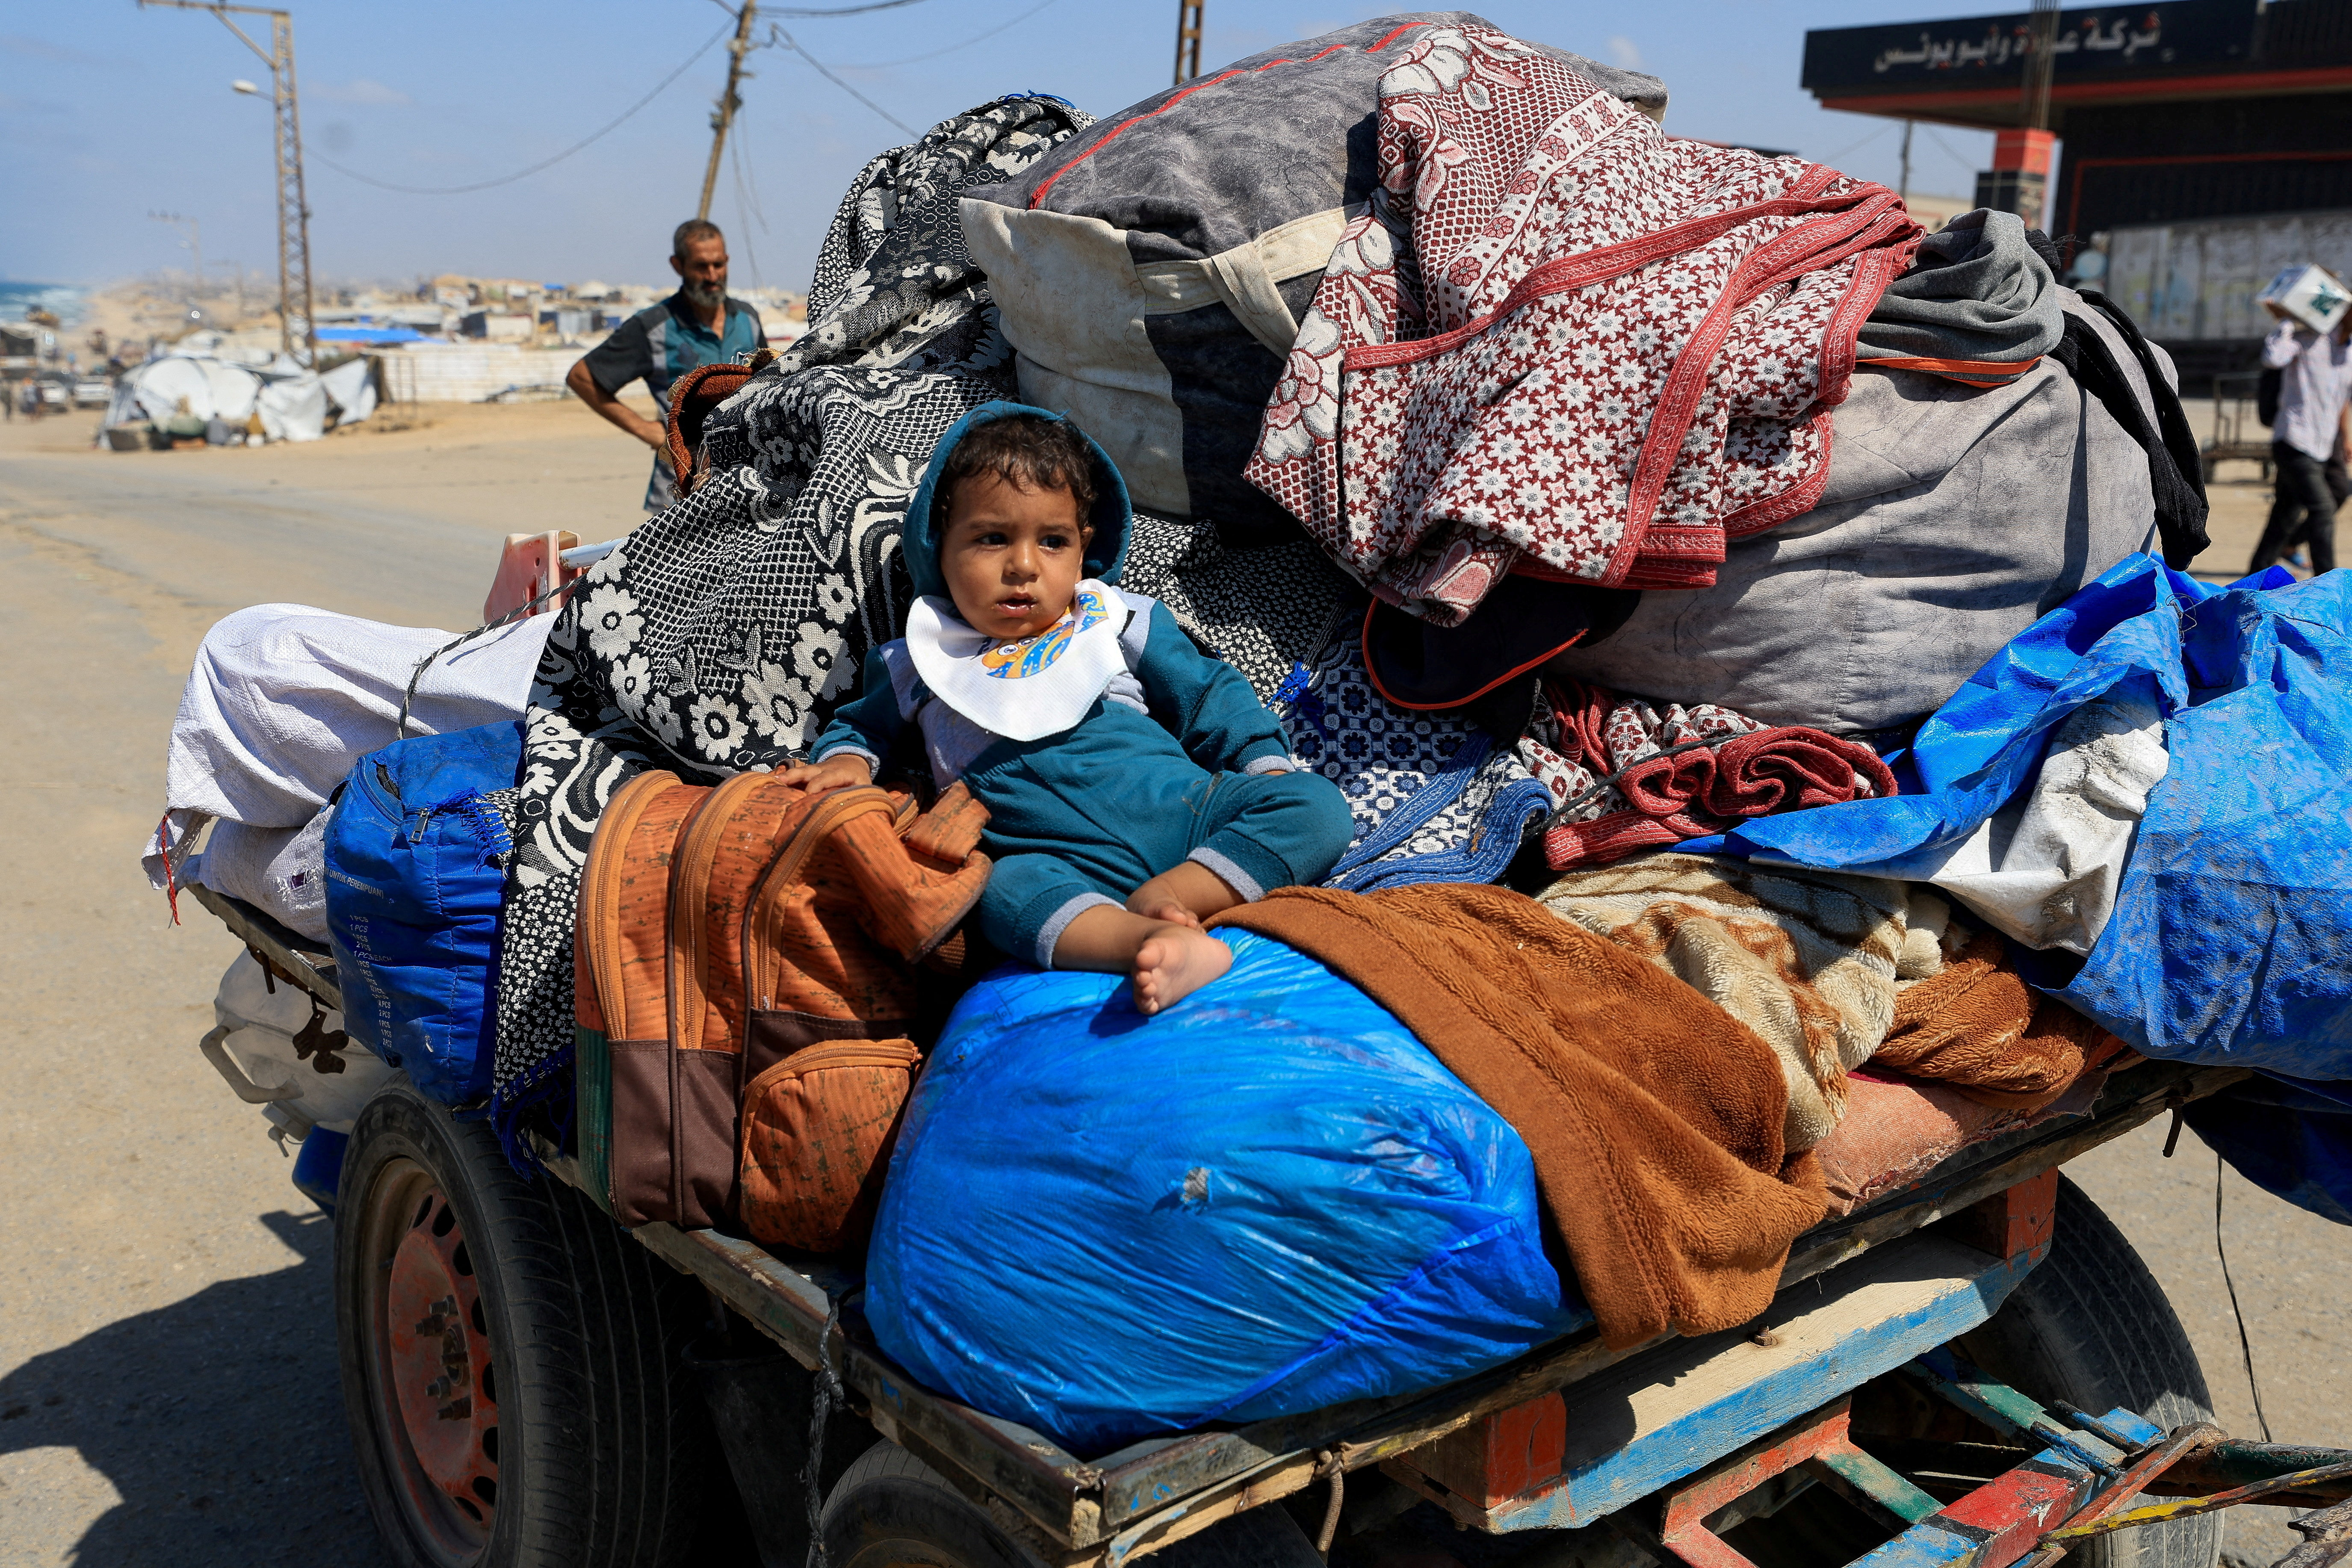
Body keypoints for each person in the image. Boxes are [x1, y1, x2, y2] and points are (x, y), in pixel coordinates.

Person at [785, 404, 1355, 1015]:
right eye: (991, 538)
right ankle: (1151, 941)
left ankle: (1178, 894)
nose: (1024, 565)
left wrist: (1260, 761)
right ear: (938, 549)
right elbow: (860, 727)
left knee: (1315, 805)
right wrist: (846, 761)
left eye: (1052, 541)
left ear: (1083, 552)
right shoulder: (917, 663)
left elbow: (1208, 691)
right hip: (1060, 860)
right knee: (997, 891)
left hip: (1190, 813)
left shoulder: (1116, 619)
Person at [566, 219, 767, 514]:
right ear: (678, 265)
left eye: (719, 265)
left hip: (747, 482)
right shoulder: (654, 327)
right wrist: (648, 430)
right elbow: (582, 377)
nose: (713, 276)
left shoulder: (748, 318)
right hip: (679, 491)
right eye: (701, 266)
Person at [2248, 297, 2352, 576]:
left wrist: (2346, 437)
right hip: (2294, 439)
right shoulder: (2307, 339)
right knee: (2322, 509)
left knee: (2286, 513)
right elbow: (2273, 357)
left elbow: (2343, 398)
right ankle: (2326, 582)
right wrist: (2286, 320)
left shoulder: (2349, 353)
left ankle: (2256, 574)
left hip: (2324, 443)